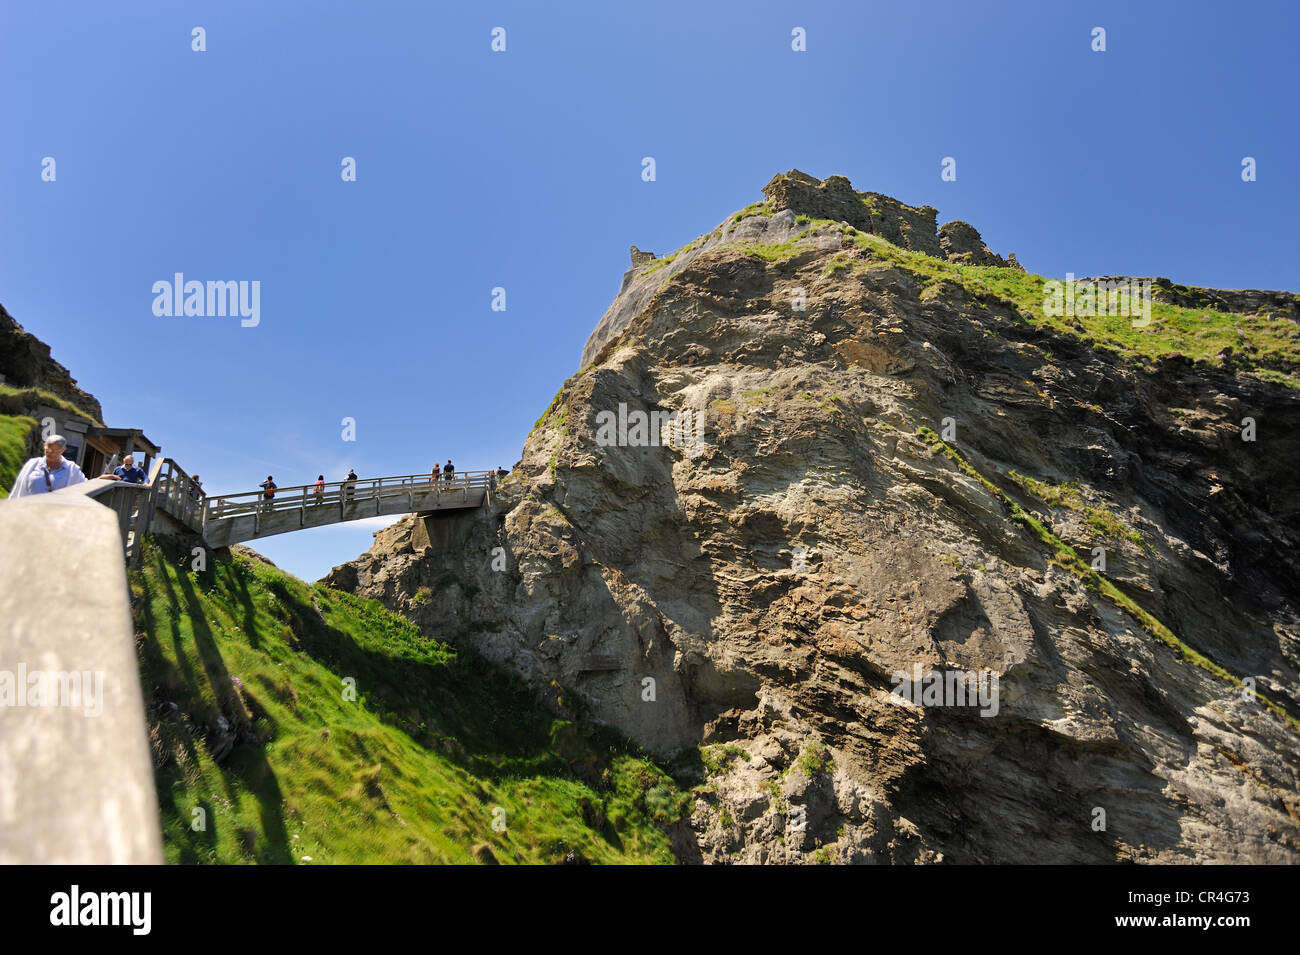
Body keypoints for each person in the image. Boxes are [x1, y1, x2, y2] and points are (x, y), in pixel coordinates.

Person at [8, 435, 87, 498]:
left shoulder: (71, 469)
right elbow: (18, 488)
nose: (51, 453)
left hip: (54, 515)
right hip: (29, 511)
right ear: (44, 445)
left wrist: (98, 480)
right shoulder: (32, 464)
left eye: (56, 451)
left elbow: (85, 486)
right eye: (48, 449)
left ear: (63, 450)